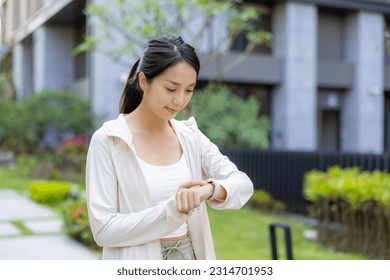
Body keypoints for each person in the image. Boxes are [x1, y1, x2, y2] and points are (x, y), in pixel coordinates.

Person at [86, 35, 253, 260]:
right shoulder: (110, 140)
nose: (179, 101)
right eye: (171, 89)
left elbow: (242, 184)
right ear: (144, 81)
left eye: (189, 90)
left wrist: (209, 189)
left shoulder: (190, 136)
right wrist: (172, 211)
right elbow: (103, 230)